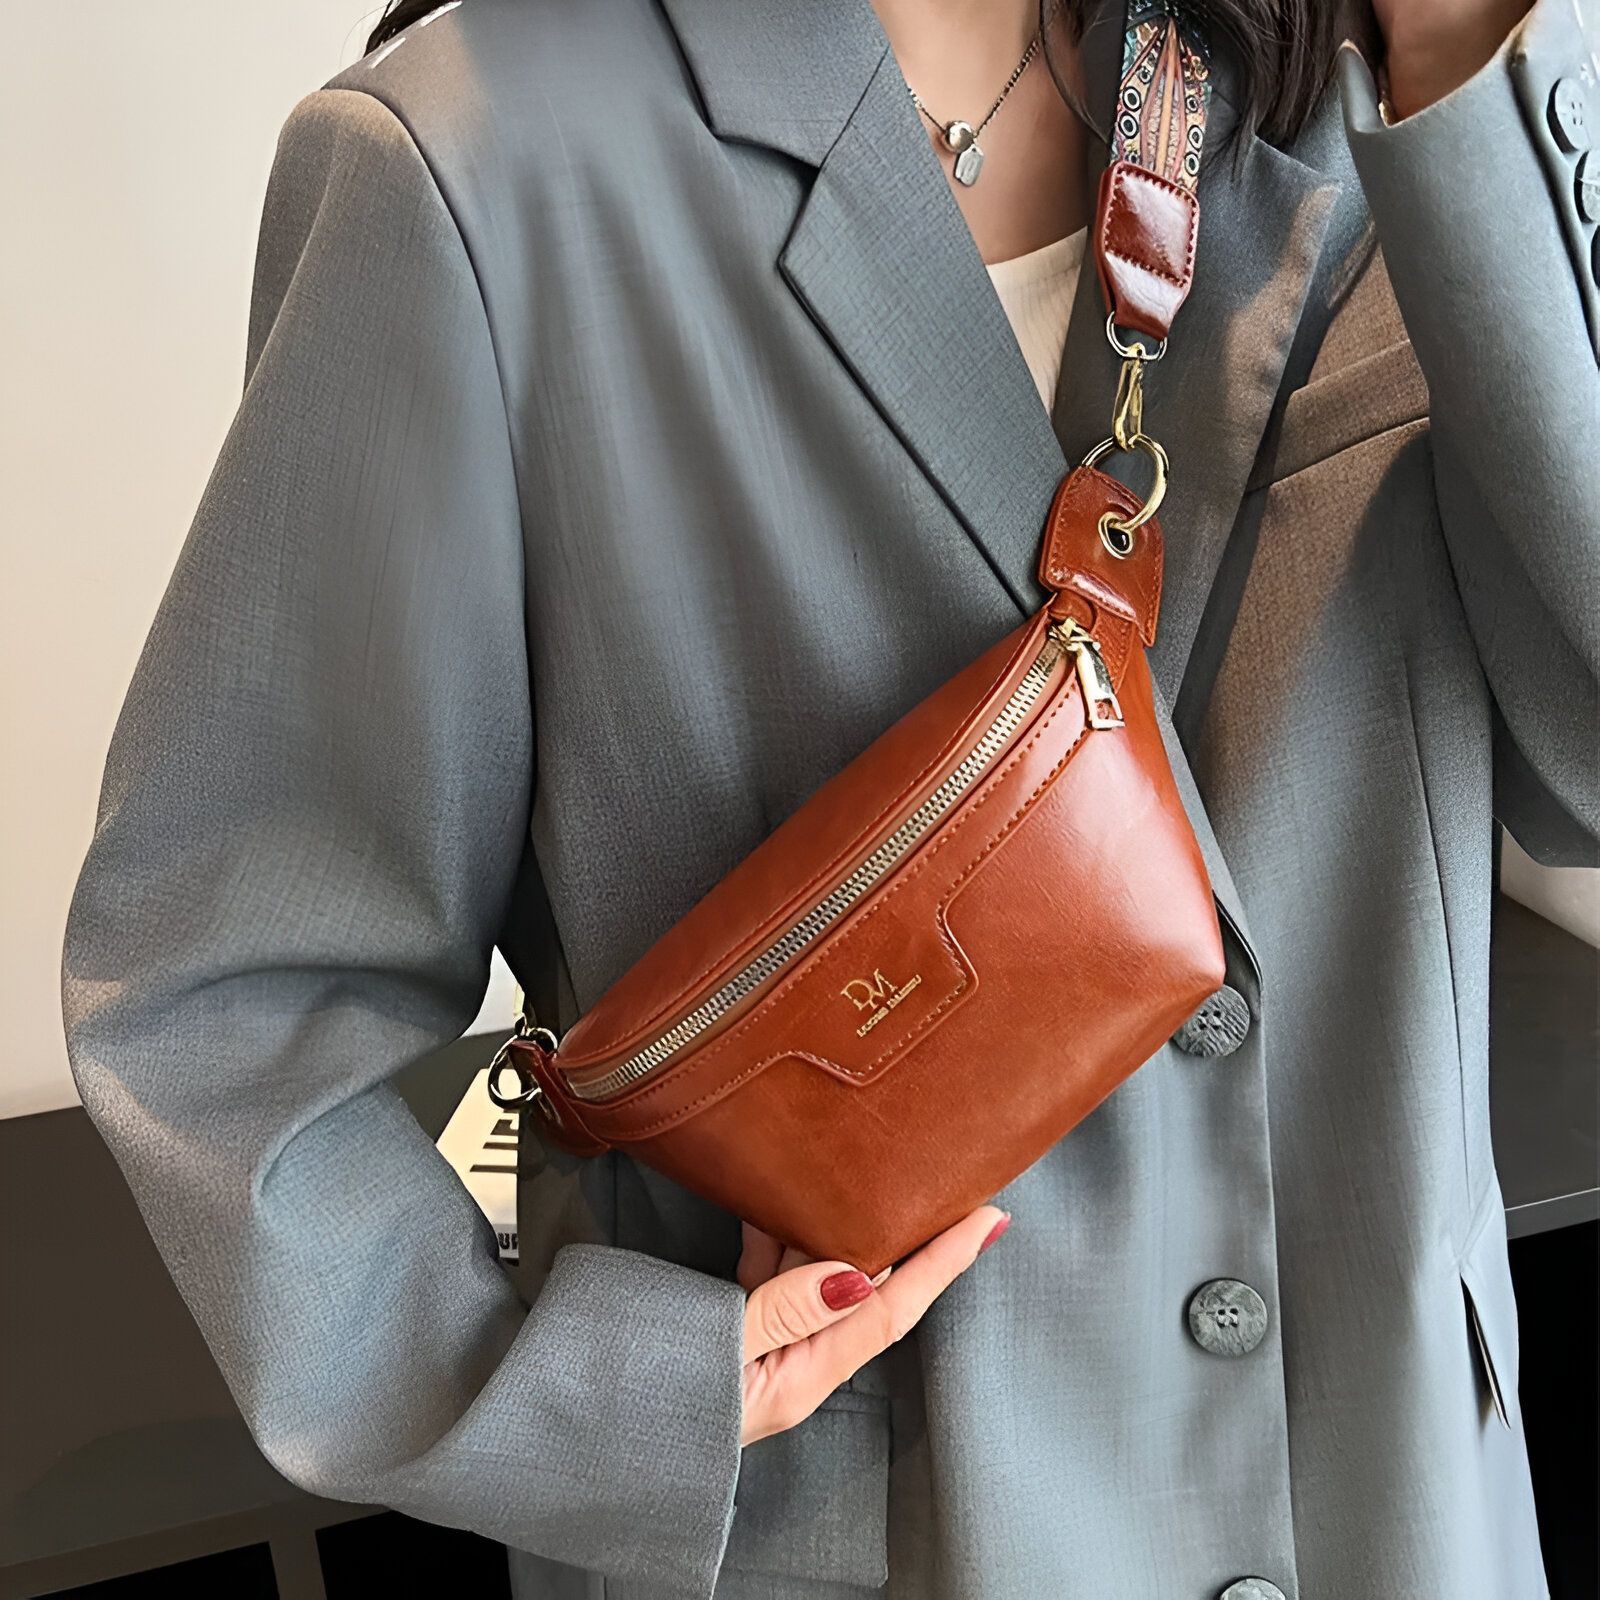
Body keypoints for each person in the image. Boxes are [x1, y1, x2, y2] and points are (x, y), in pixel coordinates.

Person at [60, 0, 1597, 1595]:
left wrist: (1474, 54)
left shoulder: (1366, 90)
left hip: (1393, 1504)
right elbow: (230, 995)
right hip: (890, 1532)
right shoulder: (484, 164)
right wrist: (603, 1395)